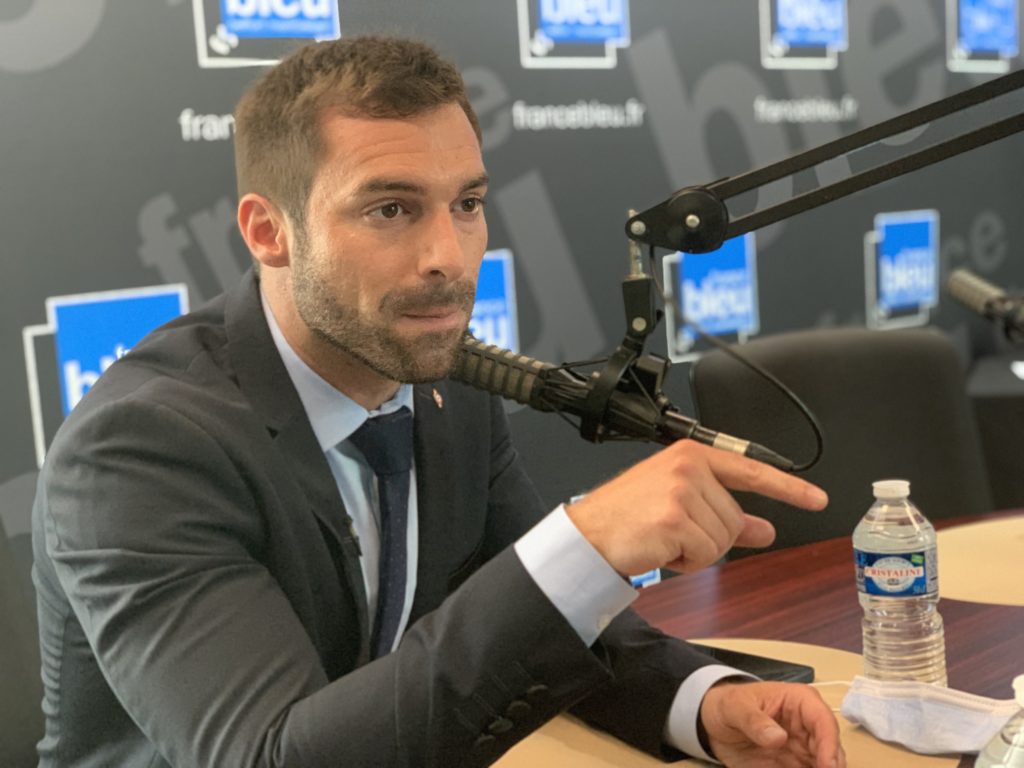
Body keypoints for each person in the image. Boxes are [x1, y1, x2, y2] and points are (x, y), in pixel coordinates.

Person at [32, 35, 845, 768]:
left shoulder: (445, 383)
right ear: (268, 231)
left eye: (466, 204)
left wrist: (702, 704)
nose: (447, 258)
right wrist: (584, 543)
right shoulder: (140, 448)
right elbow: (270, 756)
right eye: (390, 209)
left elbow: (530, 623)